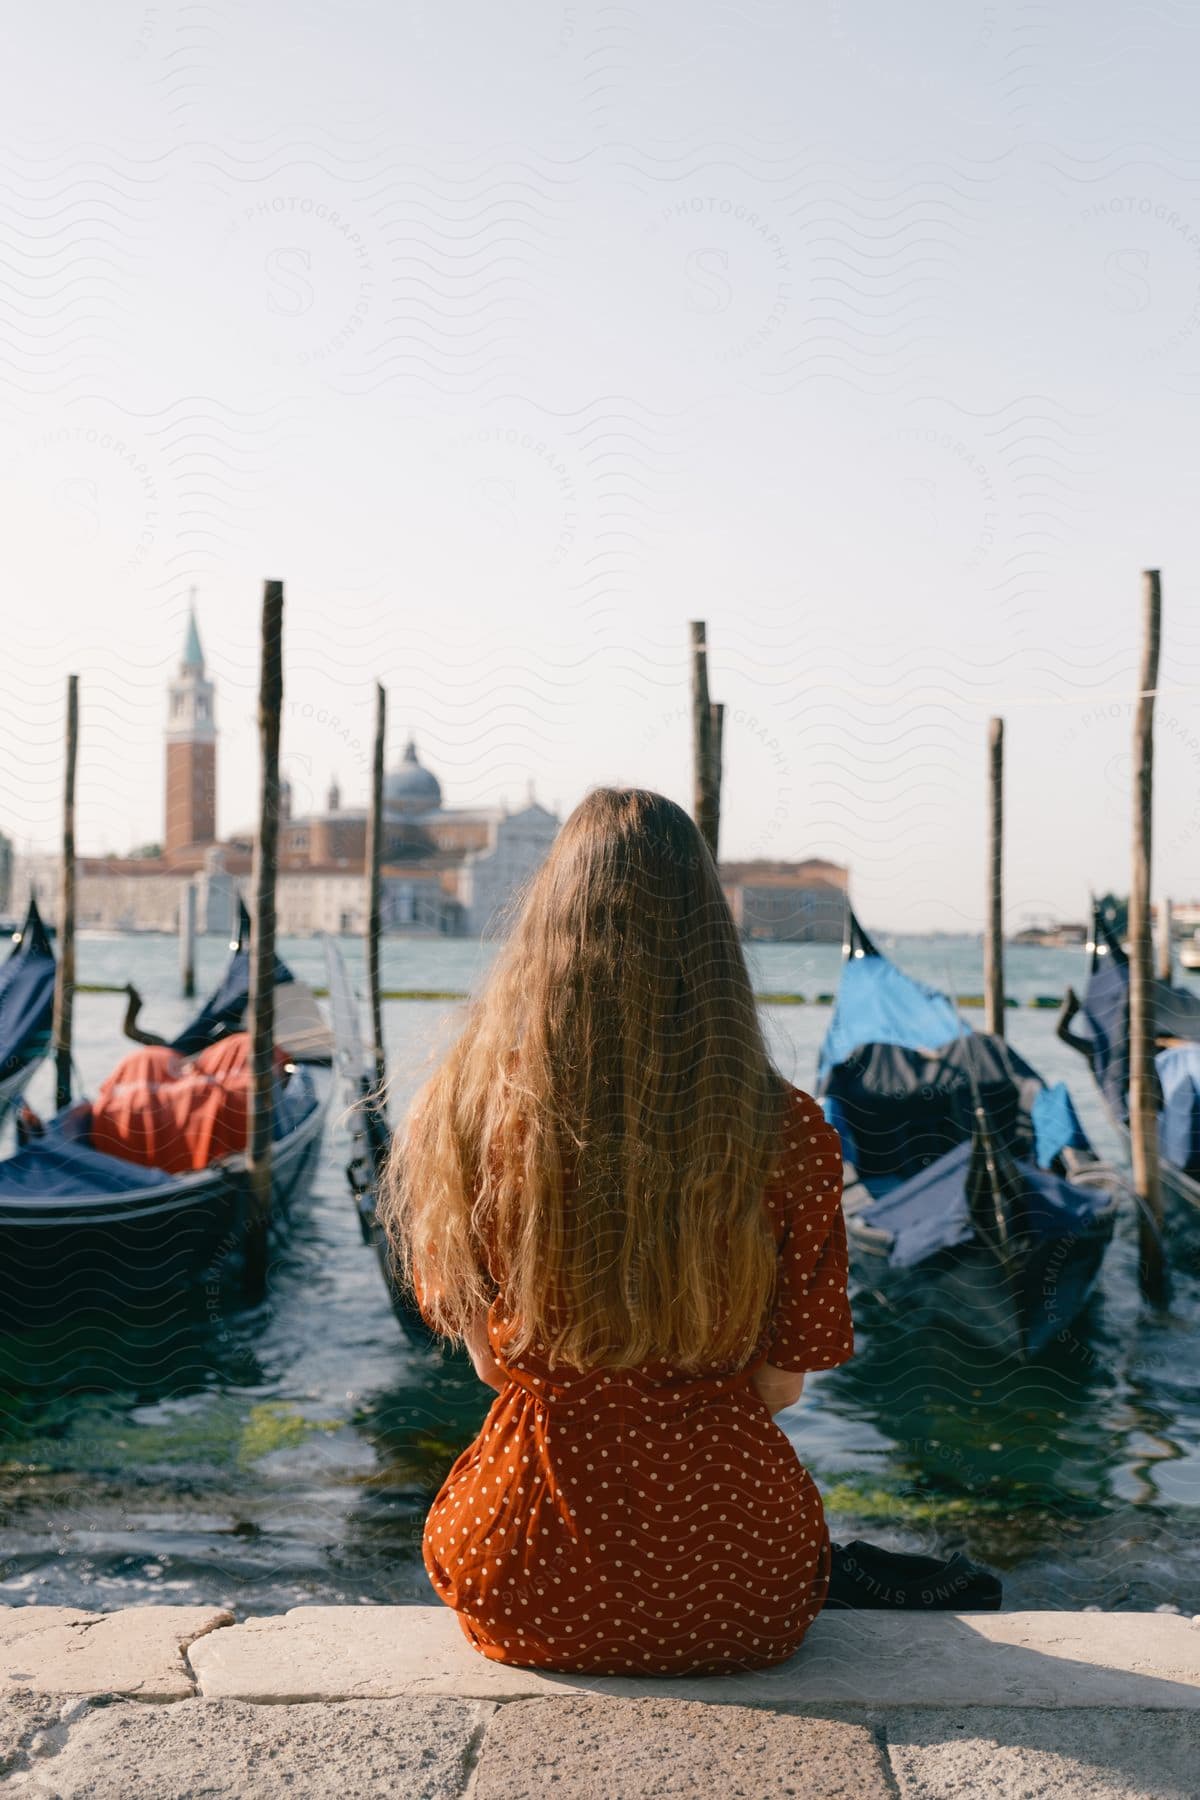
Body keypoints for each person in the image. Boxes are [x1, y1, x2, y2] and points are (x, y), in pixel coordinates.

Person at [381, 787, 855, 1675]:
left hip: (523, 1571)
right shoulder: (789, 1132)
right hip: (742, 1581)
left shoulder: (467, 1113)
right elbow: (780, 1389)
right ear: (709, 936)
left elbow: (490, 1364)